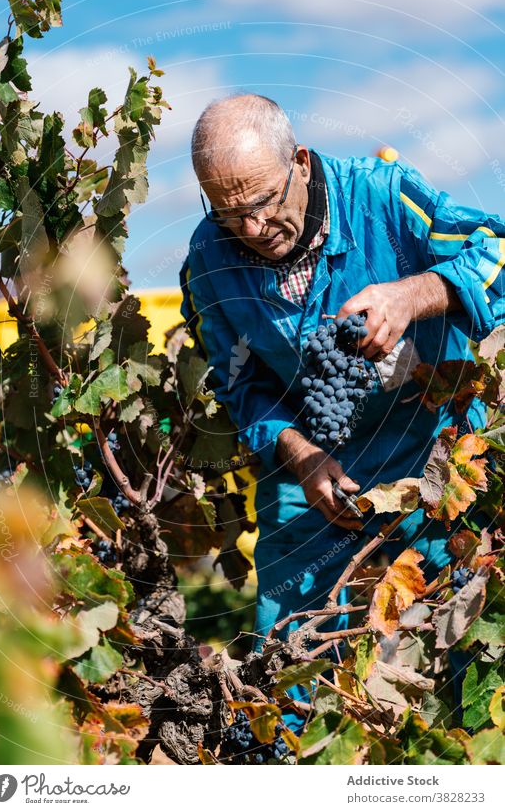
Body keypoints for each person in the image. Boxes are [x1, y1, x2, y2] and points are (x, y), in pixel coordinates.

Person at [179, 93, 504, 659]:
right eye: (229, 212)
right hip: (314, 466)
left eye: (262, 201)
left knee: (466, 629)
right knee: (286, 650)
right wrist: (298, 451)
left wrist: (413, 294)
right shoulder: (209, 259)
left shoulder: (383, 195)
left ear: (300, 162)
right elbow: (237, 384)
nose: (253, 227)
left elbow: (497, 252)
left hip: (437, 447)